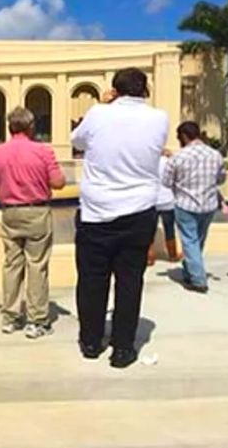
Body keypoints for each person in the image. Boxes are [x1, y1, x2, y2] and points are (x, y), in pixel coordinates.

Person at [71, 67, 168, 368]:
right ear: (145, 90)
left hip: (97, 213)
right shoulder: (159, 118)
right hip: (139, 212)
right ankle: (123, 349)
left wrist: (105, 104)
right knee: (129, 282)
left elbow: (77, 141)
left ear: (115, 90)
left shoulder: (99, 113)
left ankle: (90, 340)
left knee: (91, 280)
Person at [0, 107, 66, 338]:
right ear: (31, 127)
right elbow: (58, 182)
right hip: (36, 211)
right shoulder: (43, 151)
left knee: (12, 264)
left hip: (10, 212)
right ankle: (36, 320)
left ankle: (10, 316)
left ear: (9, 128)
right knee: (37, 266)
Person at [162, 121, 226, 294]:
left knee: (190, 241)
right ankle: (190, 271)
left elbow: (166, 182)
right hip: (209, 205)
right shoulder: (215, 155)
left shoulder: (178, 157)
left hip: (186, 204)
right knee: (198, 241)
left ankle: (198, 280)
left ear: (183, 136)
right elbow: (221, 179)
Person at [147, 149, 182, 266]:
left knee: (149, 230)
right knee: (169, 229)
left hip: (152, 200)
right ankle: (172, 255)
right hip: (168, 199)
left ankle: (149, 257)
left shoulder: (150, 162)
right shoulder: (169, 161)